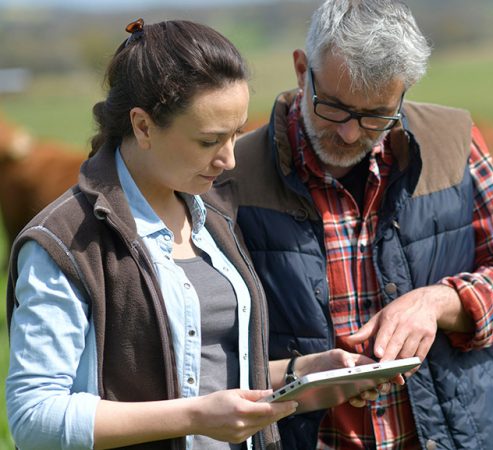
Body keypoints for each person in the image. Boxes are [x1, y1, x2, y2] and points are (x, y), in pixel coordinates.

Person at [4, 18, 380, 450]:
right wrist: (195, 416)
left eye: (236, 135)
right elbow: (33, 420)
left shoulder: (212, 217)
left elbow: (207, 372)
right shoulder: (66, 241)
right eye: (208, 141)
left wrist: (305, 373)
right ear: (143, 127)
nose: (229, 159)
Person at [212, 1, 493, 448]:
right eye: (333, 108)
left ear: (403, 92)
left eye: (375, 116)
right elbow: (205, 343)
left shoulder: (454, 143)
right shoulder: (232, 177)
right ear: (300, 69)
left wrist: (440, 302)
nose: (350, 133)